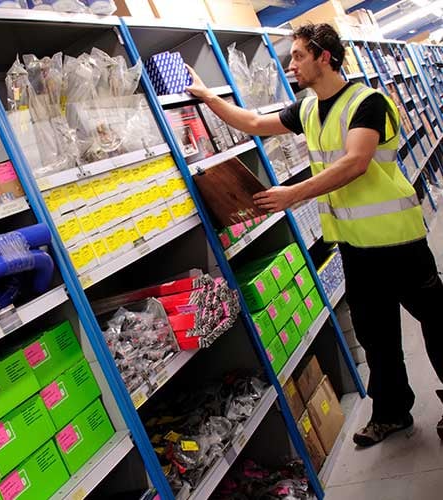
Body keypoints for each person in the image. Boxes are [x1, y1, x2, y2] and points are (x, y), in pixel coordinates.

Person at [184, 22, 443, 447]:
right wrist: (209, 97)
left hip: (398, 242)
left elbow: (356, 161)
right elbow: (251, 121)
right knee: (376, 337)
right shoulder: (307, 109)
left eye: (299, 55)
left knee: (437, 321)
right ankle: (392, 412)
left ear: (325, 56)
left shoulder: (367, 102)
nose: (292, 64)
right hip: (356, 247)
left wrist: (294, 194)